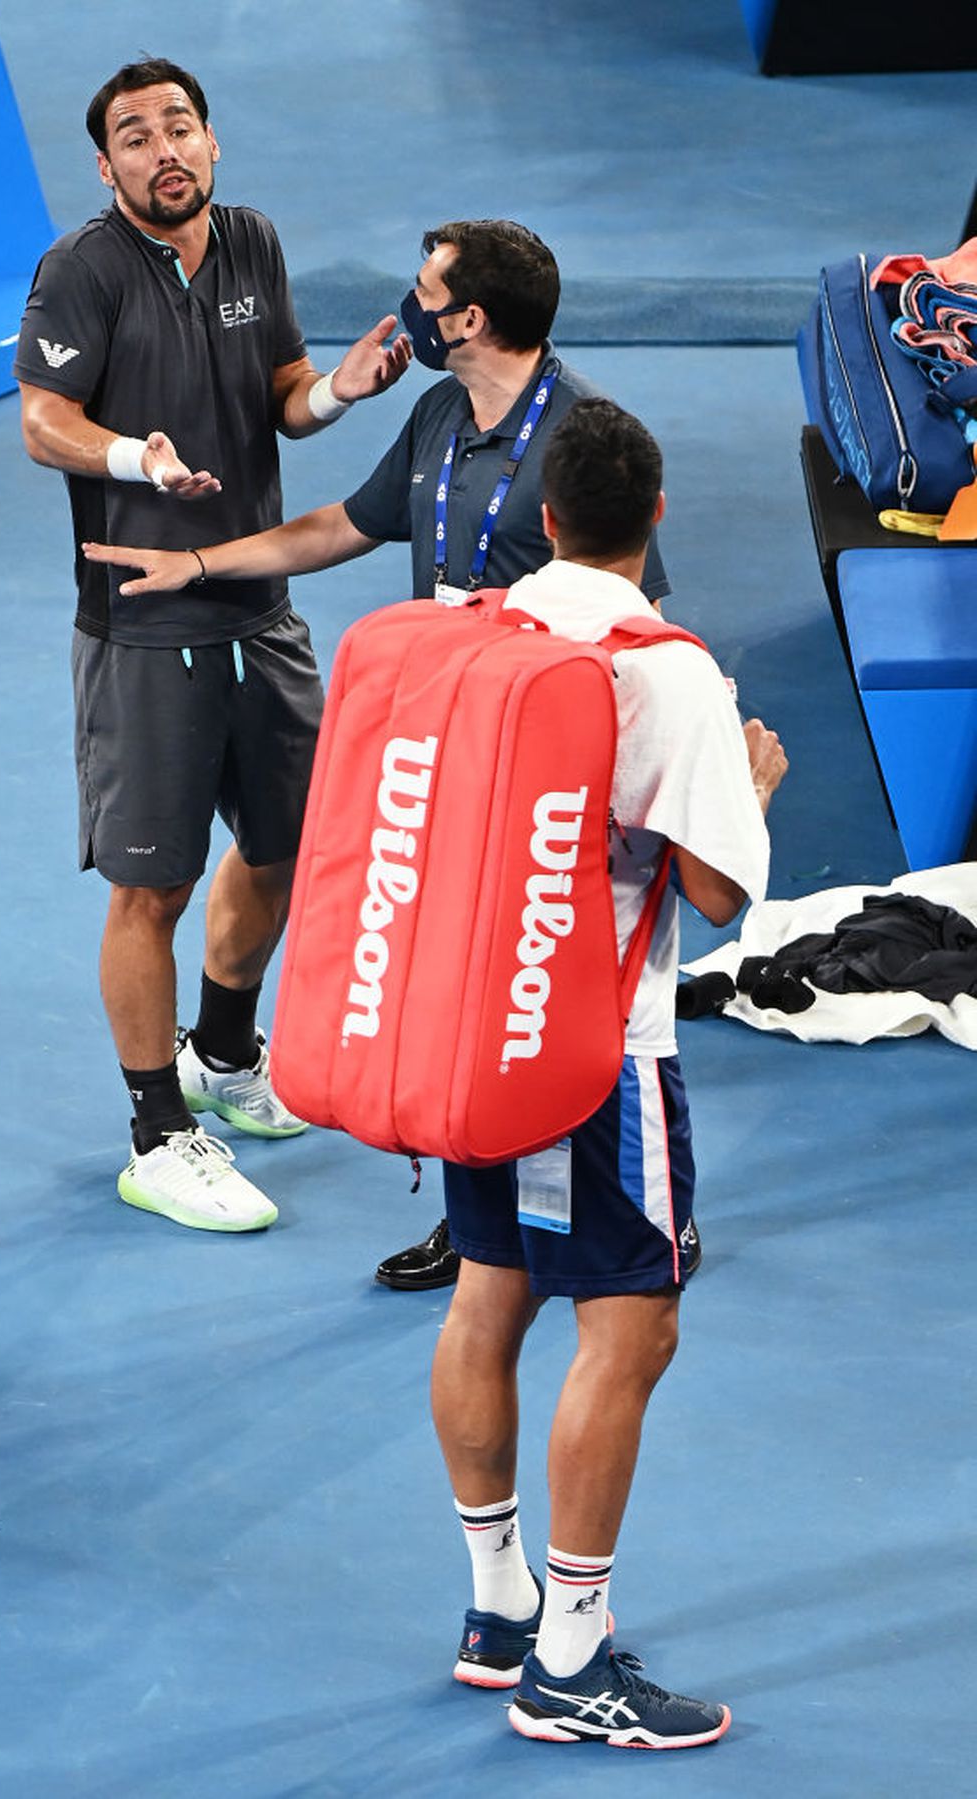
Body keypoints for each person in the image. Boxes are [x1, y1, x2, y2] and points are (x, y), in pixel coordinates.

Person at [83, 216, 670, 1281]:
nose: (412, 311)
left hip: (541, 780)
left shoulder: (580, 439)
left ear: (470, 320)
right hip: (445, 750)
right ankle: (484, 1217)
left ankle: (606, 1211)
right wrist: (204, 563)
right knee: (456, 988)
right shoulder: (444, 411)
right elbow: (340, 527)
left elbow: (632, 614)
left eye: (427, 294)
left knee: (544, 1001)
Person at [428, 397, 786, 1748]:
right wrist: (752, 782)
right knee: (630, 1326)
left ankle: (497, 1607)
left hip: (477, 1029)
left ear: (551, 520)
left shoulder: (483, 630)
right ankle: (572, 1658)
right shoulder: (675, 671)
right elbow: (712, 884)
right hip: (599, 1049)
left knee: (491, 1288)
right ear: (659, 517)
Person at [13, 58, 410, 1234]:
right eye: (134, 137)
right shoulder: (81, 272)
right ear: (107, 167)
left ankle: (223, 1051)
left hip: (261, 606)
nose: (161, 148)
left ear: (213, 142)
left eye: (178, 126)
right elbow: (43, 422)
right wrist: (142, 457)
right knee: (154, 886)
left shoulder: (251, 241)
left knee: (286, 846)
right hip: (144, 626)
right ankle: (155, 1133)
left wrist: (335, 392)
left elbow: (281, 386)